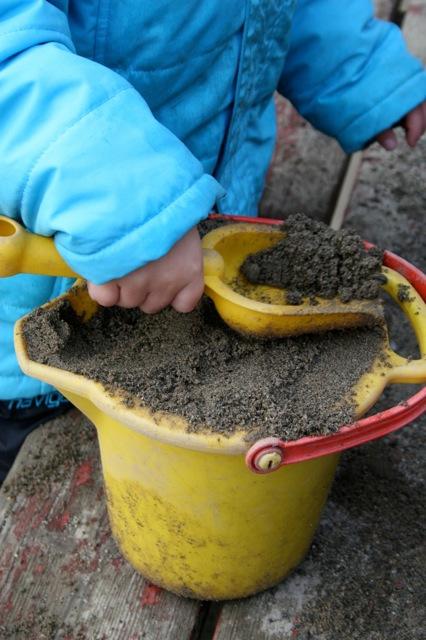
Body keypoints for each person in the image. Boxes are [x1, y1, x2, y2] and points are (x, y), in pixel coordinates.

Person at [0, 0, 425, 482]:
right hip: (42, 308)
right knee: (33, 472)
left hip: (203, 223)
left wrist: (360, 70)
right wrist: (132, 206)